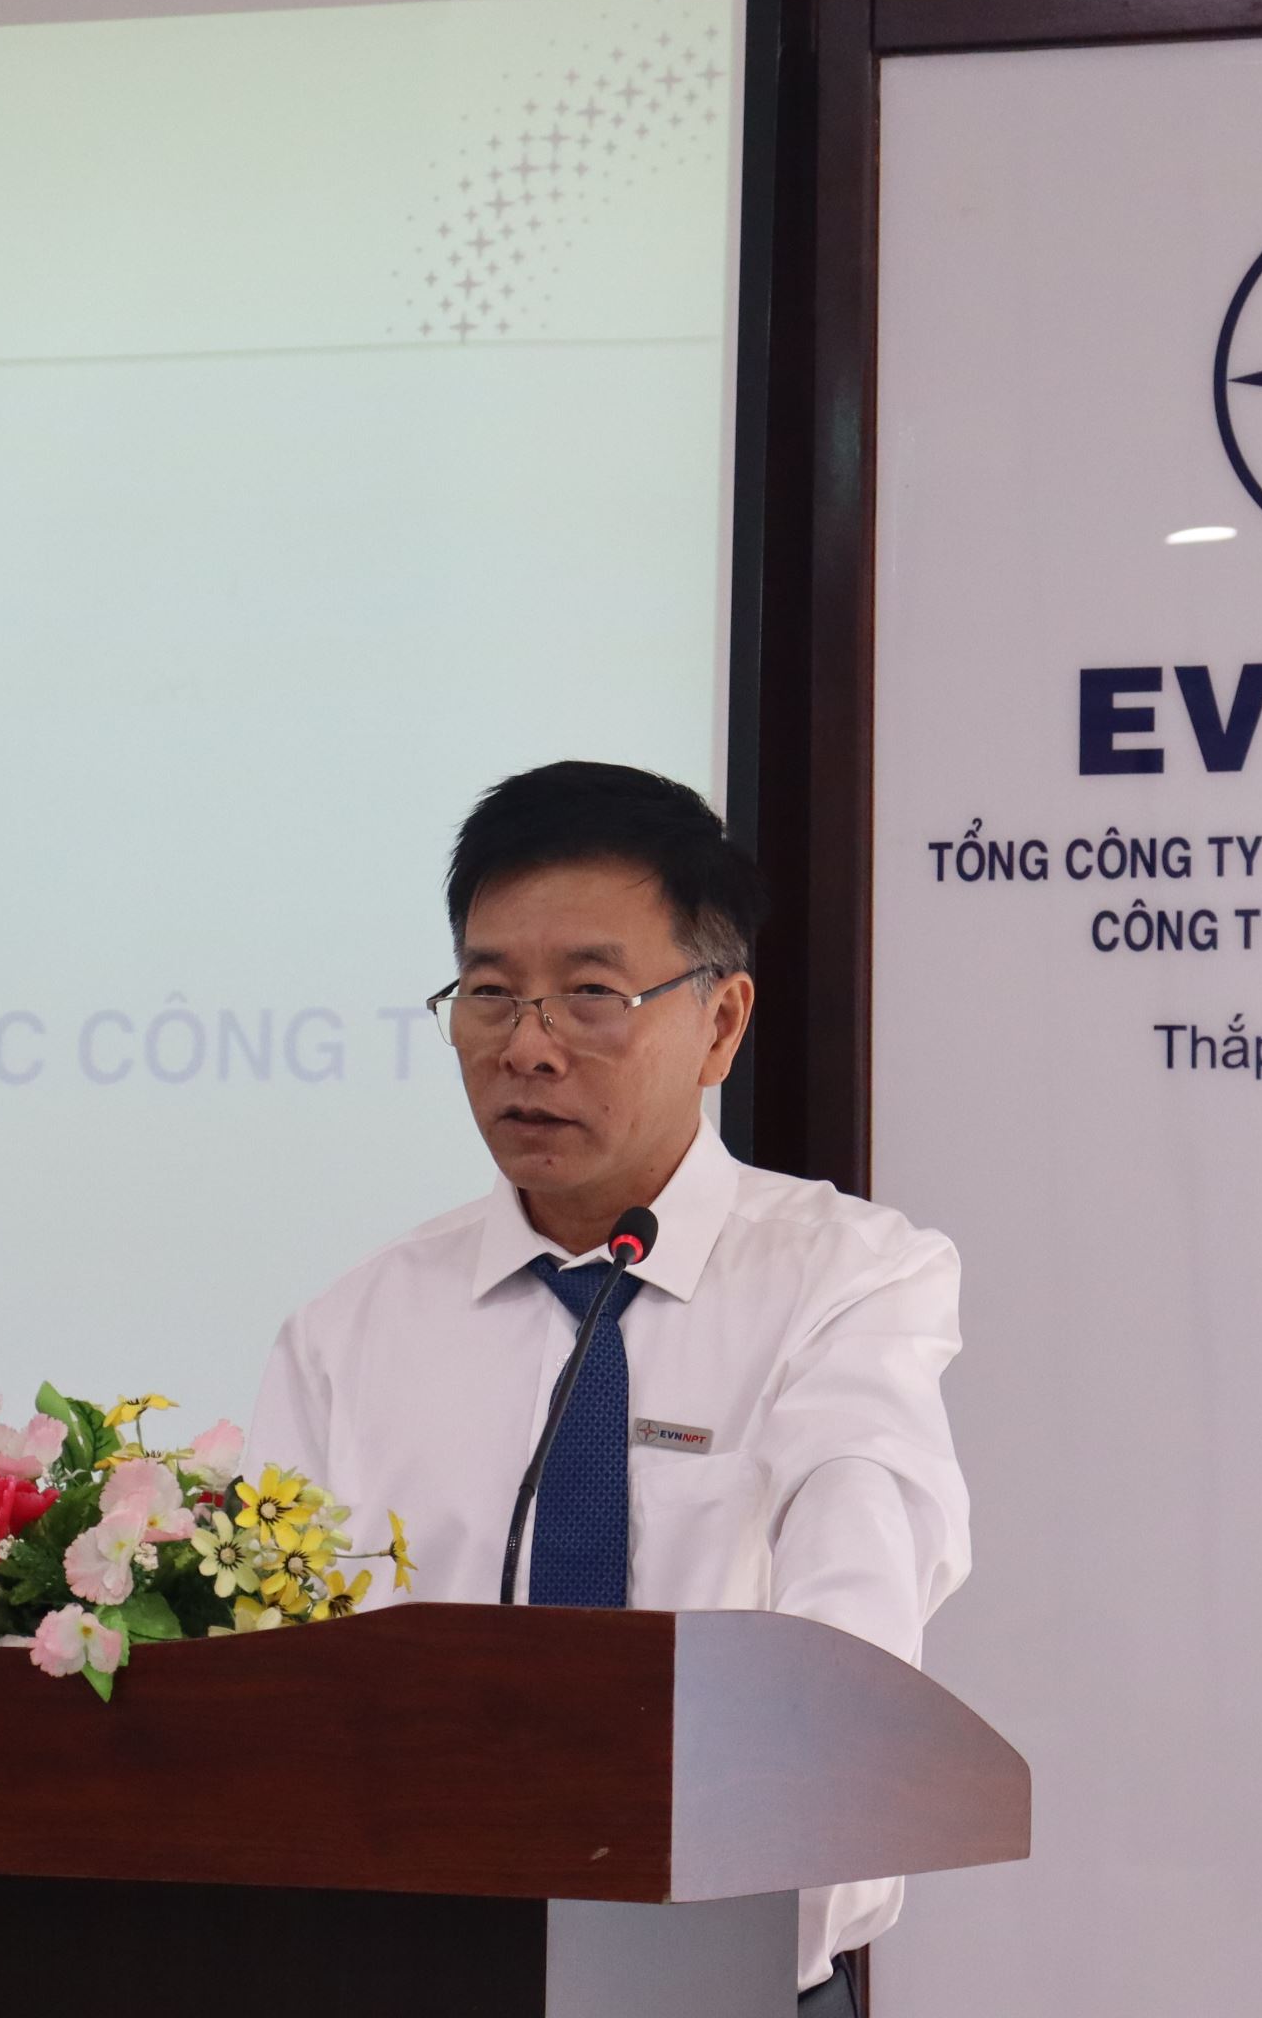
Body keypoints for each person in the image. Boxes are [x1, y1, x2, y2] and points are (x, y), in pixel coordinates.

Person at [249, 760, 969, 2017]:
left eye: (591, 995)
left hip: (721, 1979)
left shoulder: (848, 1282)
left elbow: (852, 1627)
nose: (527, 1049)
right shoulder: (351, 1329)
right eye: (489, 995)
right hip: (412, 1971)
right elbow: (272, 1686)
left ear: (721, 1023)